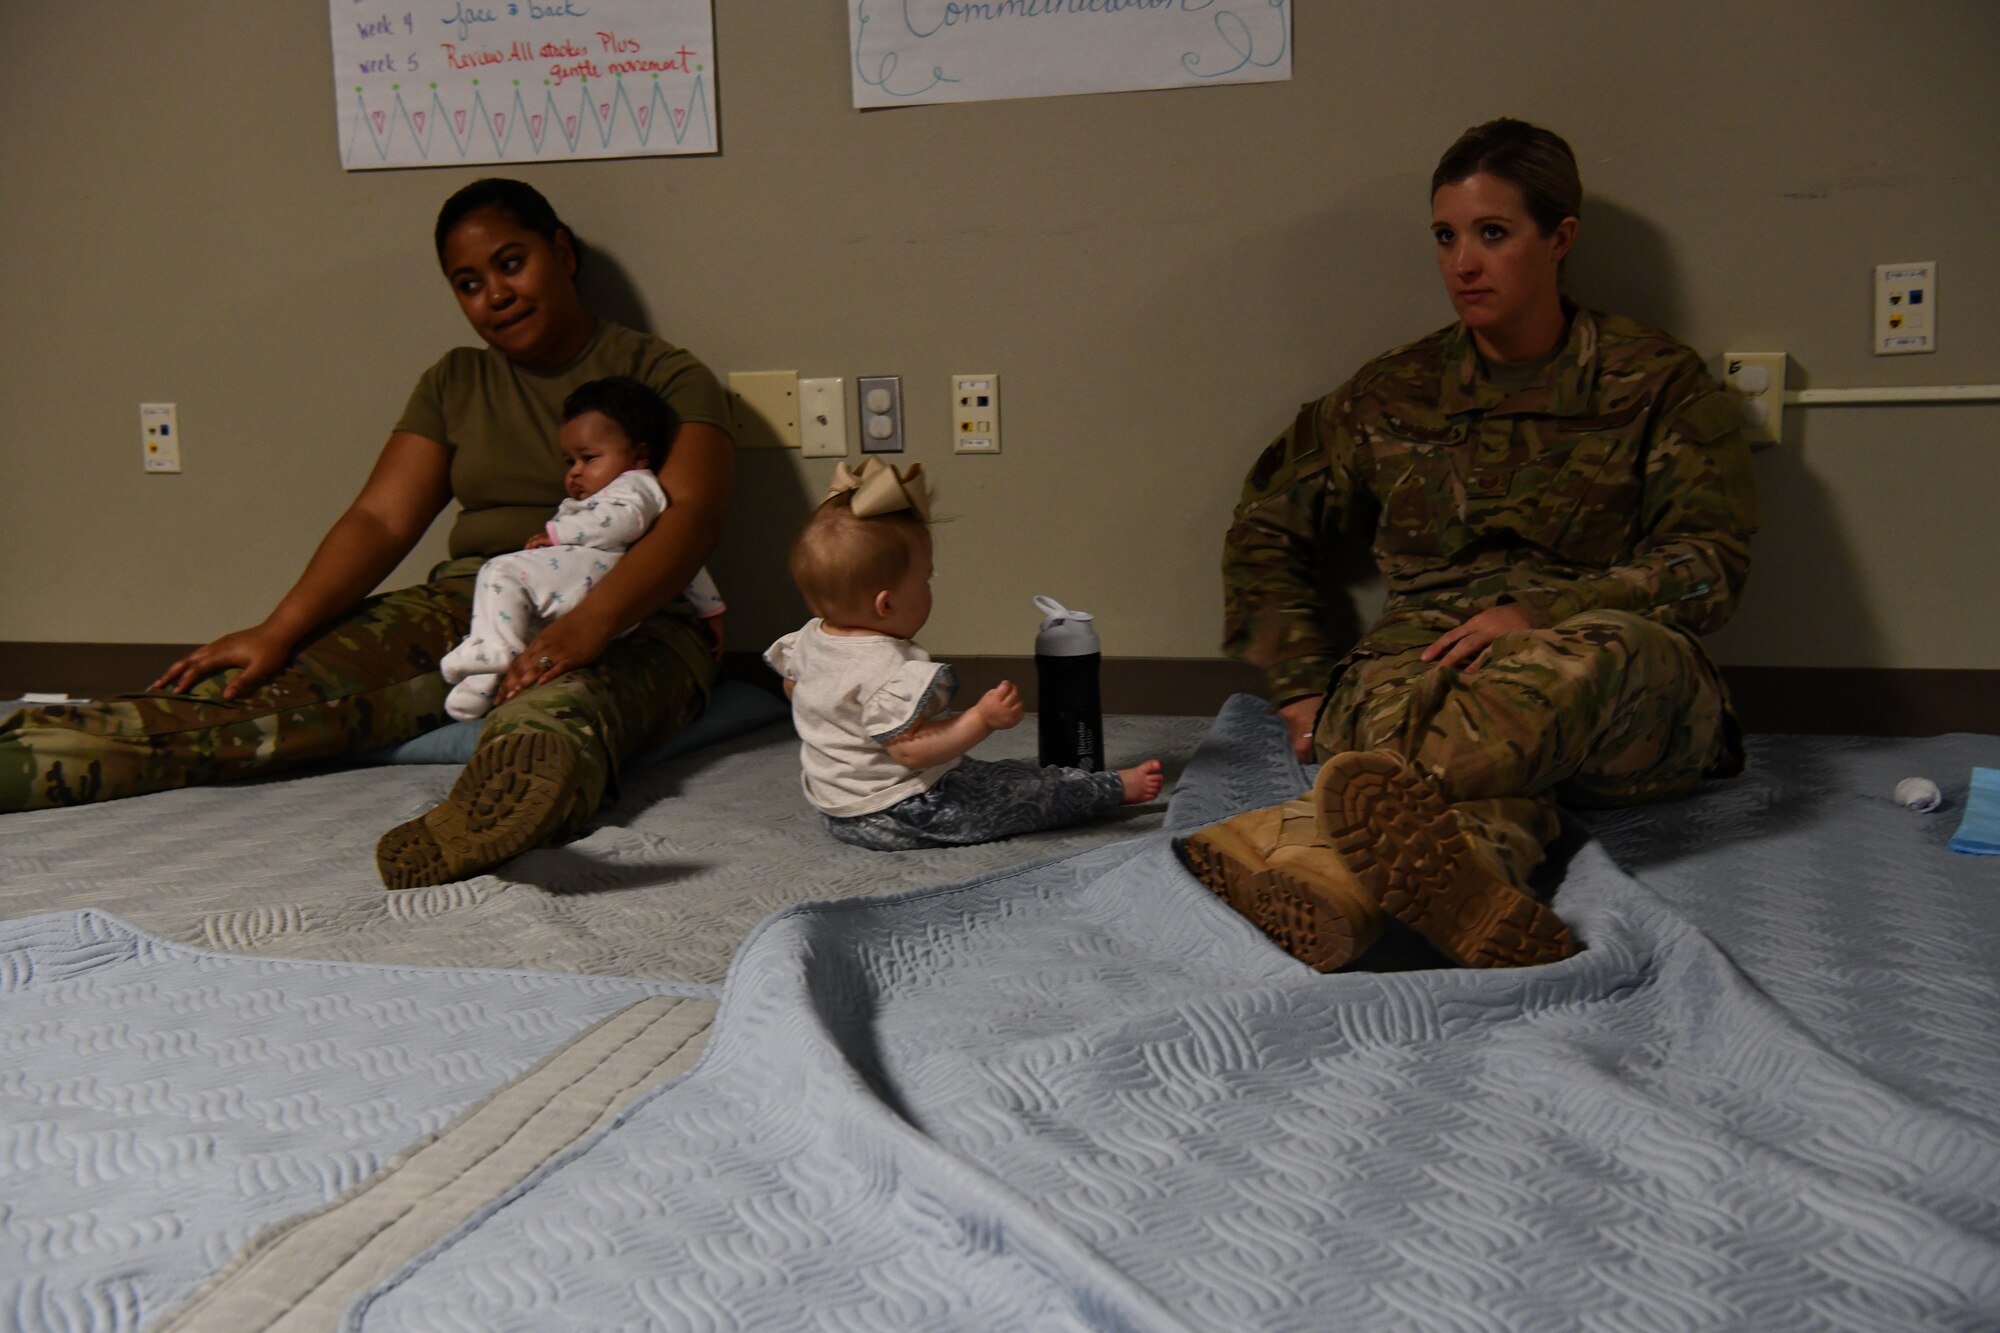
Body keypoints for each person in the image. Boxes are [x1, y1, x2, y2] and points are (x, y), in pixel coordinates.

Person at [0, 178, 735, 891]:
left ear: (562, 253)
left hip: (637, 606)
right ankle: (30, 753)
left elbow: (692, 518)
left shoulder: (662, 374)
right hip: (478, 600)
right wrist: (278, 629)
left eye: (512, 263)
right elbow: (379, 519)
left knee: (558, 705)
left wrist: (591, 625)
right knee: (260, 693)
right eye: (469, 282)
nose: (496, 295)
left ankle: (484, 817)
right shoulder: (455, 381)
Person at [1181, 118, 1758, 971]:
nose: (1463, 263)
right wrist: (1303, 688)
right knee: (1417, 723)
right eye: (1447, 237)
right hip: (1425, 664)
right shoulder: (1390, 394)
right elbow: (1267, 525)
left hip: (1605, 670)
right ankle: (1434, 881)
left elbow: (1710, 564)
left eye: (1493, 234)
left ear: (1559, 239)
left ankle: (1293, 831)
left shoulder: (1658, 381)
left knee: (1565, 672)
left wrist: (1539, 613)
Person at [765, 458, 1164, 851]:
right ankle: (1111, 789)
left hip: (837, 803)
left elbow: (793, 688)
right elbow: (909, 750)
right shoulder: (886, 667)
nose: (929, 589)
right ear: (885, 605)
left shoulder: (809, 637)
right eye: (925, 580)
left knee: (1003, 773)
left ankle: (1075, 783)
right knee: (1025, 797)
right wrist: (981, 719)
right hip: (900, 808)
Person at [440, 375, 725, 722]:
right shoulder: (601, 495)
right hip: (578, 583)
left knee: (499, 572)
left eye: (588, 458)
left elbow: (625, 524)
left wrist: (559, 533)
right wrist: (710, 609)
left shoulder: (636, 486)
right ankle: (482, 685)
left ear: (640, 456)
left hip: (602, 579)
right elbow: (689, 566)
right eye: (569, 462)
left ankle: (492, 653)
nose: (575, 473)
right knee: (520, 621)